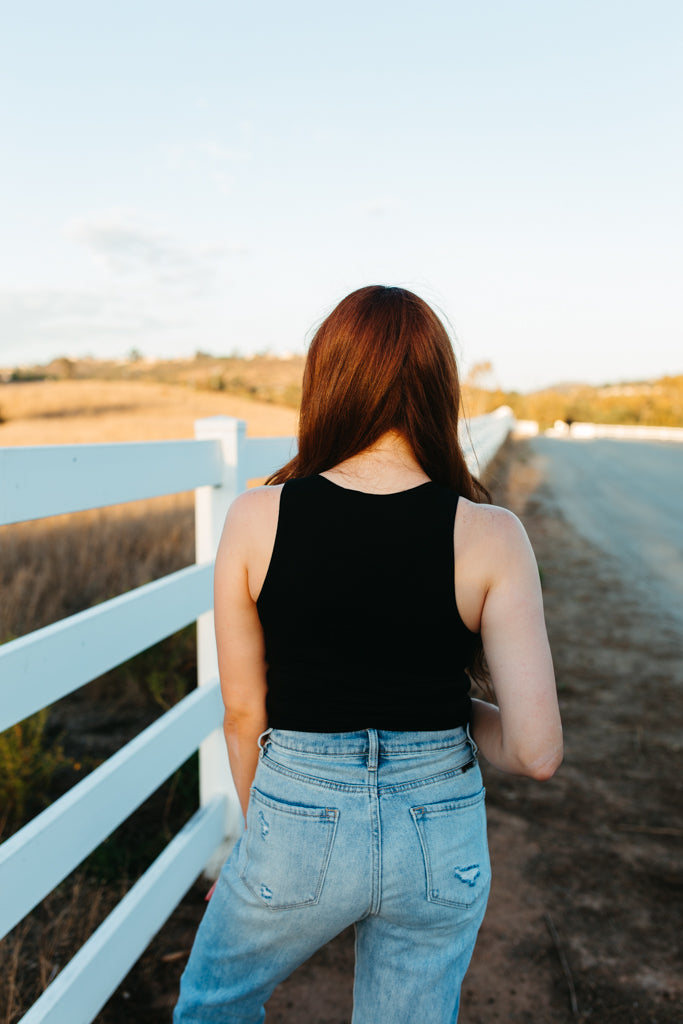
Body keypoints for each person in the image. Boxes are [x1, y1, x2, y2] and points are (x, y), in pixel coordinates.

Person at [174, 285, 563, 1023]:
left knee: (211, 1005)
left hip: (298, 806)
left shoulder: (257, 517)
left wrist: (270, 842)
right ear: (438, 389)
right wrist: (438, 712)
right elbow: (536, 750)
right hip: (438, 822)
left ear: (328, 383)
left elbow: (241, 712)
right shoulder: (490, 535)